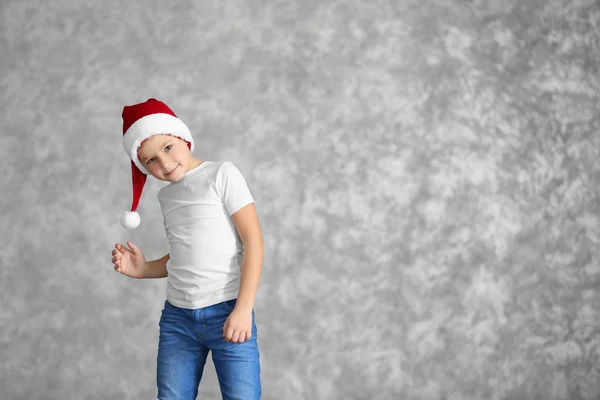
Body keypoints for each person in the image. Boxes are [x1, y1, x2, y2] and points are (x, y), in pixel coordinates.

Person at [110, 98, 263, 399]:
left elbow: (254, 242)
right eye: (150, 160)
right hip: (178, 320)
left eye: (167, 148)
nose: (164, 163)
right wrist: (142, 270)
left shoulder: (222, 175)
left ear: (182, 137)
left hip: (227, 310)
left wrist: (243, 309)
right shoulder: (167, 197)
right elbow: (184, 255)